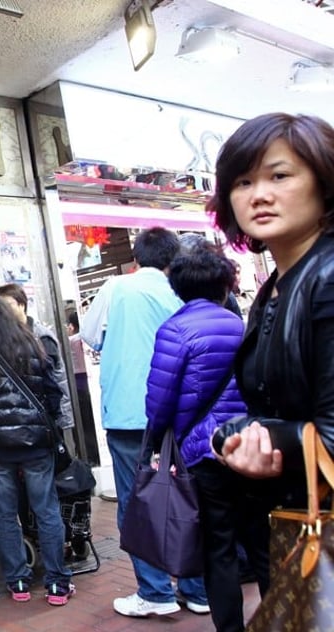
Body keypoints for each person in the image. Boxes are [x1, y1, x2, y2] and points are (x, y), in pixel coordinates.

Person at [209, 113, 334, 597]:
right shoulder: (277, 288)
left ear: (323, 181)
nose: (258, 194)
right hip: (294, 519)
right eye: (243, 181)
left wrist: (244, 434)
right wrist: (239, 436)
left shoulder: (326, 279)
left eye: (279, 175)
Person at [80, 226, 209, 617]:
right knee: (187, 495)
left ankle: (155, 594)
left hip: (128, 410)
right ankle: (197, 591)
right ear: (173, 260)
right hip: (180, 409)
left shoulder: (115, 288)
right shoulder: (181, 290)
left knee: (137, 501)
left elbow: (88, 334)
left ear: (136, 258)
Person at [143, 246, 249, 631]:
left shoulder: (174, 330)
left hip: (202, 454)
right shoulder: (242, 326)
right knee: (260, 542)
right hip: (250, 447)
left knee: (217, 548)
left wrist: (156, 444)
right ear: (224, 285)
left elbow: (160, 400)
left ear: (178, 288)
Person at [0, 293, 75, 606]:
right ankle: (57, 583)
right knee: (46, 508)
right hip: (34, 441)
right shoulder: (30, 342)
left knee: (3, 513)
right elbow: (52, 390)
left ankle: (17, 581)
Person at [0, 284, 75, 435]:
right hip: (23, 420)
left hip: (46, 417)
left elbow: (52, 380)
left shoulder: (40, 335)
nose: (4, 311)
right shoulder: (4, 338)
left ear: (22, 305)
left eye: (8, 305)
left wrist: (55, 415)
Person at [65, 310, 100, 466]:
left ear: (72, 326)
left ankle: (89, 456)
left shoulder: (71, 341)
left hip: (77, 385)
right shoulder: (90, 339)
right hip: (90, 383)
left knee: (84, 425)